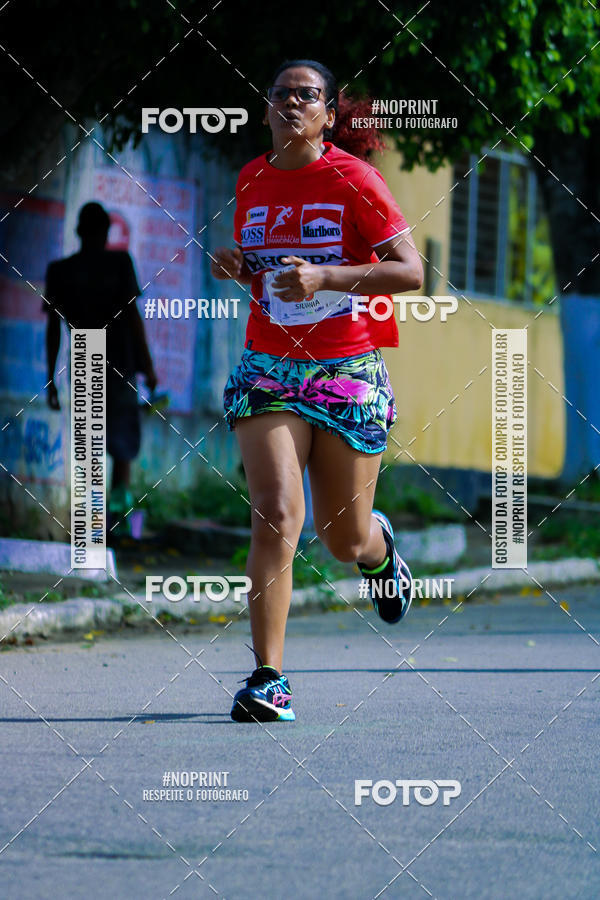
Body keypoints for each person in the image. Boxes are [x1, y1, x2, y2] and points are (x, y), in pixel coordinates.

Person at [211, 60, 423, 723]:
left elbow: (411, 272)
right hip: (268, 364)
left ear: (330, 113)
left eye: (307, 96)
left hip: (345, 370)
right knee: (276, 512)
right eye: (280, 94)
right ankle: (268, 679)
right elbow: (270, 272)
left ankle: (379, 551)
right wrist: (241, 266)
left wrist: (327, 278)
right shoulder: (251, 178)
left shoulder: (355, 181)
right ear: (267, 107)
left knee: (342, 539)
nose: (291, 103)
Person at [44, 201, 157, 531]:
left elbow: (53, 330)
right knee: (120, 447)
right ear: (105, 231)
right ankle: (116, 525)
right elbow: (133, 319)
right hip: (120, 361)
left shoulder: (61, 271)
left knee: (91, 449)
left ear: (79, 230)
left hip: (85, 358)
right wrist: (147, 367)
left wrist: (50, 378)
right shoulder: (120, 263)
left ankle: (95, 528)